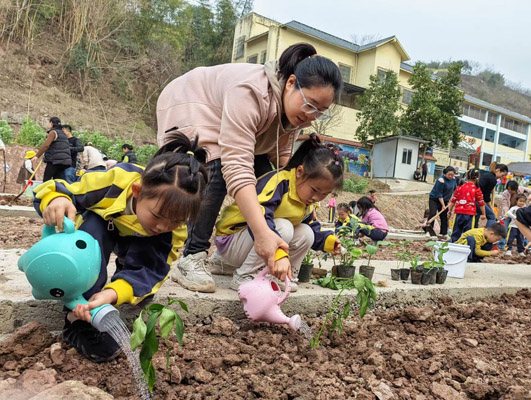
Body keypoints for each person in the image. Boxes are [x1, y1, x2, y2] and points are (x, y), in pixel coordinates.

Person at [156, 43, 343, 292]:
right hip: (192, 102)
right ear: (290, 83)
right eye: (311, 104)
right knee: (217, 167)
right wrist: (263, 233)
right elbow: (236, 167)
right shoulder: (250, 92)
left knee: (268, 178)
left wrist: (301, 191)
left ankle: (227, 261)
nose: (312, 116)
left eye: (321, 111)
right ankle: (192, 256)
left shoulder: (296, 111)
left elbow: (282, 160)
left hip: (235, 124)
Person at [33, 132, 208, 362]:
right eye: (157, 215)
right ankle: (76, 319)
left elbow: (154, 270)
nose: (163, 225)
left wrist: (113, 293)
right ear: (137, 192)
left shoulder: (170, 232)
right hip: (100, 230)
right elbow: (63, 190)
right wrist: (56, 200)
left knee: (141, 287)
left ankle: (114, 285)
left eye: (177, 221)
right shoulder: (115, 181)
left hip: (138, 245)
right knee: (93, 230)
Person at [208, 135, 342, 292]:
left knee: (307, 233)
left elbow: (310, 225)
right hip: (232, 240)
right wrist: (278, 253)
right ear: (300, 172)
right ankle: (245, 275)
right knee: (284, 227)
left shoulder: (306, 200)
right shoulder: (279, 182)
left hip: (256, 245)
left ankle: (280, 276)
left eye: (324, 194)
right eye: (315, 190)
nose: (316, 198)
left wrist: (327, 241)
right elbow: (260, 216)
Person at [447, 169, 486, 243]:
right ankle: (464, 246)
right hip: (469, 214)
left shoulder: (460, 187)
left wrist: (450, 211)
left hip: (458, 213)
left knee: (455, 232)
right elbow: (481, 202)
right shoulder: (476, 189)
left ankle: (453, 245)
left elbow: (453, 200)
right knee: (468, 233)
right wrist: (483, 214)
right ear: (477, 178)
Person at [32, 117, 72, 182]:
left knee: (46, 180)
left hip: (54, 161)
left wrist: (37, 156)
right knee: (58, 181)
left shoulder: (53, 132)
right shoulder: (63, 134)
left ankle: (45, 192)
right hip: (64, 162)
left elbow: (46, 145)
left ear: (51, 123)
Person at [428, 166, 458, 240]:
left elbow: (455, 190)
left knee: (444, 217)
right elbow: (439, 194)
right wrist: (443, 205)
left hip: (445, 200)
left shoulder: (454, 180)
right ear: (445, 173)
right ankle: (428, 231)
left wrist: (454, 199)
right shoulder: (441, 180)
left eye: (452, 175)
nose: (450, 176)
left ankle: (443, 233)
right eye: (449, 174)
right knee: (432, 214)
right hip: (434, 199)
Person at [476, 162, 508, 227]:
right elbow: (486, 197)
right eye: (502, 175)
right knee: (492, 216)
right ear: (498, 170)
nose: (500, 178)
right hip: (476, 199)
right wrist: (491, 209)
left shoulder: (483, 173)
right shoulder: (492, 179)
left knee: (476, 216)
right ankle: (488, 233)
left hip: (470, 197)